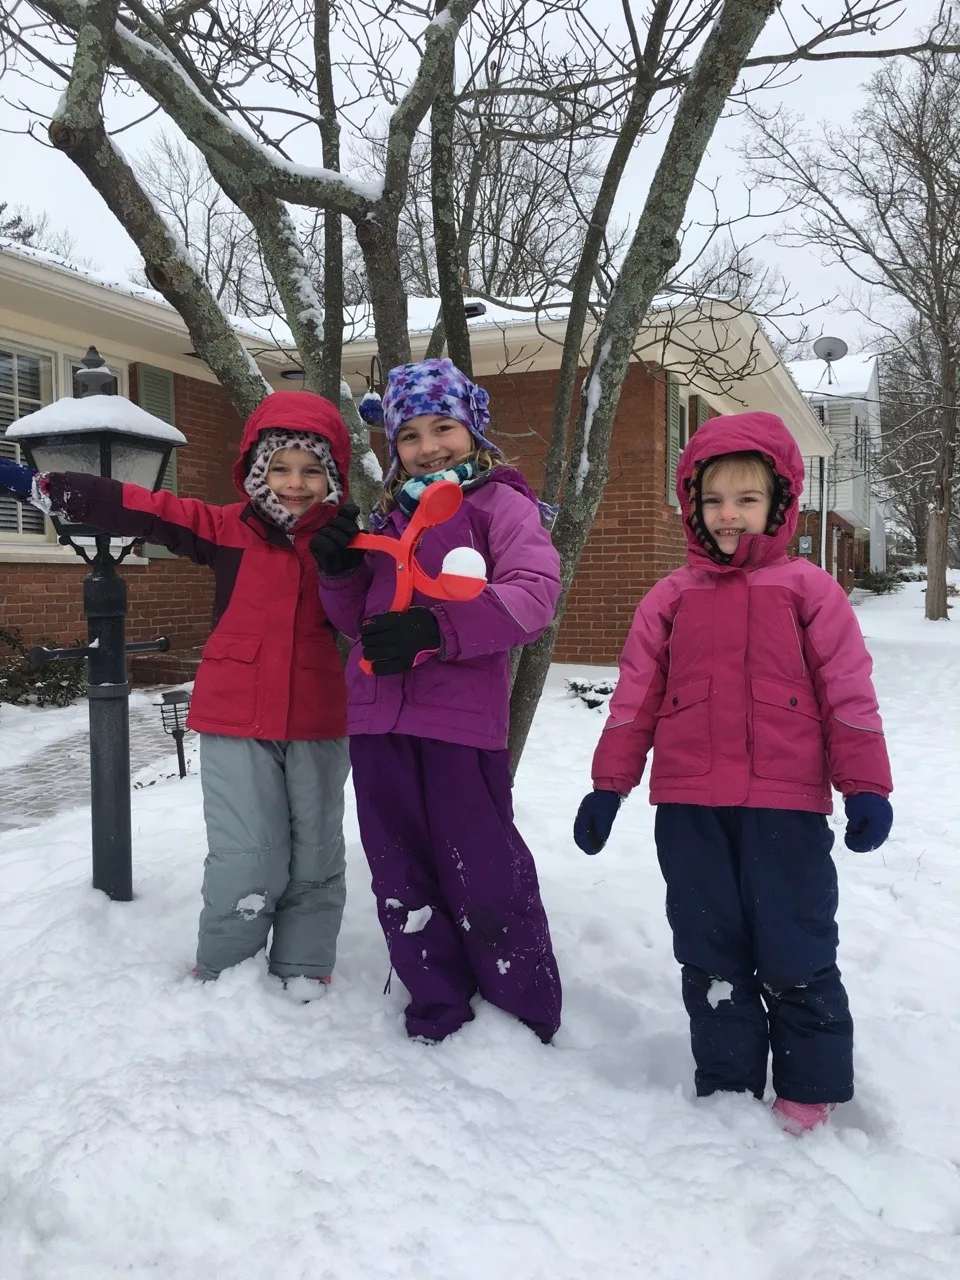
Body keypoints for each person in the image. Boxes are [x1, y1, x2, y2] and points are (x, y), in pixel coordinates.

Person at [572, 411, 894, 1135]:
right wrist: (608, 785)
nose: (729, 515)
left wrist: (866, 786)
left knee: (796, 947)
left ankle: (809, 1089)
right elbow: (633, 701)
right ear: (692, 505)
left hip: (785, 809)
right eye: (715, 499)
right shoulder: (670, 598)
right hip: (690, 808)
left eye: (747, 500)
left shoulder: (810, 592)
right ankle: (726, 1082)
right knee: (709, 947)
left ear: (780, 504)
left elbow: (849, 691)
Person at [0, 392, 352, 989]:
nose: (295, 484)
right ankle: (227, 975)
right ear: (256, 472)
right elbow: (141, 505)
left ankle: (304, 971)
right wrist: (41, 485)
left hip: (319, 718)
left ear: (334, 475)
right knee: (249, 856)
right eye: (280, 468)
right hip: (236, 718)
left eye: (312, 470)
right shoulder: (225, 530)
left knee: (317, 857)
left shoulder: (347, 542)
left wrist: (346, 563)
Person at [310, 356, 562, 1043]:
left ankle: (521, 1011)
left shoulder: (500, 506)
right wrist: (337, 571)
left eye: (443, 426)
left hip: (458, 728)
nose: (428, 445)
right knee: (400, 875)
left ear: (474, 429)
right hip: (377, 721)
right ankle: (437, 1007)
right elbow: (356, 617)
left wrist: (438, 628)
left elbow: (533, 596)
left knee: (483, 872)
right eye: (411, 434)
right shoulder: (390, 517)